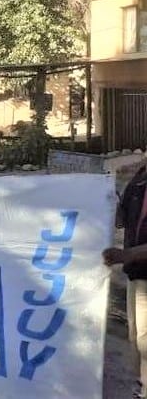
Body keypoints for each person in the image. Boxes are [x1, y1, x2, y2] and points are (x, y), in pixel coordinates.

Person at [104, 165, 147, 399]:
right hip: (136, 272)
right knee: (136, 336)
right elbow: (122, 220)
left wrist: (126, 255)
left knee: (145, 337)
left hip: (140, 268)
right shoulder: (140, 177)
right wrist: (108, 200)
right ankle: (141, 385)